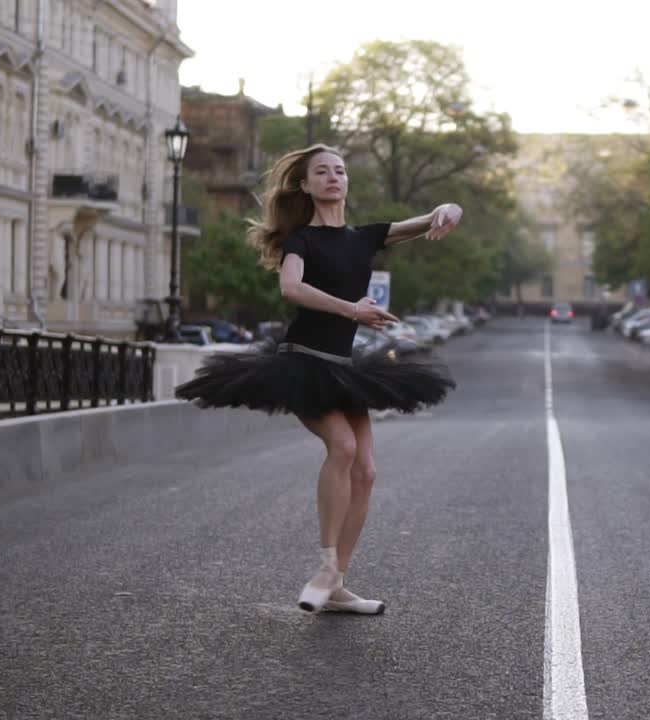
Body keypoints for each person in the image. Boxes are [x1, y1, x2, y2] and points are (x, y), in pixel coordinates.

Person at [175, 144, 460, 614]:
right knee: (343, 448)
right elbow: (291, 288)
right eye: (322, 171)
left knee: (366, 471)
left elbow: (430, 218)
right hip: (303, 363)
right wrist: (352, 310)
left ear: (347, 182)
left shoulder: (364, 237)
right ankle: (326, 569)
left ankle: (335, 586)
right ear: (305, 185)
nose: (333, 177)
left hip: (344, 367)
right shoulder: (301, 241)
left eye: (340, 171)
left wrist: (450, 209)